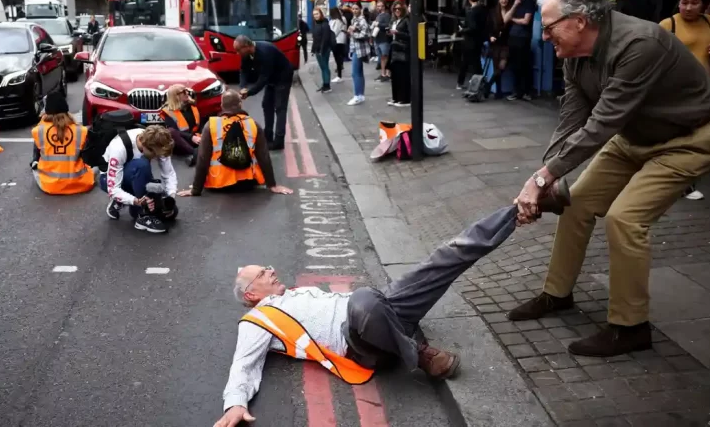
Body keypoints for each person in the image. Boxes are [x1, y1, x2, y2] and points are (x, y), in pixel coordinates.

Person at [212, 187, 572, 427]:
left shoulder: (296, 295)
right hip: (357, 343)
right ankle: (420, 354)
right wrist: (235, 404)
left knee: (447, 255)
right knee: (364, 299)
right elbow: (244, 364)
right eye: (262, 272)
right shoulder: (257, 320)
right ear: (251, 294)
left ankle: (524, 207)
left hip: (381, 311)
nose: (271, 270)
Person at [511, 0, 710, 357]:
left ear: (579, 21)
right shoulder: (574, 54)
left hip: (690, 138)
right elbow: (572, 117)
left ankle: (630, 327)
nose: (544, 37)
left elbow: (603, 122)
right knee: (574, 204)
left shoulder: (638, 44)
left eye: (548, 27)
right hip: (634, 136)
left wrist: (542, 178)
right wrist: (546, 176)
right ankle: (556, 294)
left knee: (624, 219)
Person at [659, 0, 710, 201]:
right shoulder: (668, 25)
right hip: (677, 94)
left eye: (694, 3)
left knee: (698, 140)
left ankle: (681, 181)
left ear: (704, 4)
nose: (688, 8)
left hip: (705, 92)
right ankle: (683, 184)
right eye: (684, 2)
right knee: (682, 139)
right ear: (678, 3)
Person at [178, 90, 292, 197]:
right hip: (246, 184)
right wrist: (272, 185)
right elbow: (264, 156)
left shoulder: (211, 125)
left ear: (222, 106)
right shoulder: (253, 124)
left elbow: (203, 159)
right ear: (240, 105)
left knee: (199, 151)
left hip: (218, 183)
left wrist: (196, 190)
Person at [100, 124, 178, 234]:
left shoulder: (157, 141)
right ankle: (143, 215)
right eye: (155, 155)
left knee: (171, 213)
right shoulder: (118, 148)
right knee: (142, 164)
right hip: (109, 180)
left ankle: (135, 202)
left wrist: (170, 198)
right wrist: (136, 201)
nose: (157, 158)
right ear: (145, 145)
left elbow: (168, 174)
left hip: (137, 175)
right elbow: (113, 189)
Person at [235, 35, 294, 151]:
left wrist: (249, 92)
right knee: (267, 104)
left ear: (247, 46)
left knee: (280, 107)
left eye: (238, 50)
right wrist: (242, 87)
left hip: (283, 77)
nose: (237, 53)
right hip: (271, 78)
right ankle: (268, 137)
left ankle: (278, 141)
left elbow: (263, 78)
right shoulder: (246, 54)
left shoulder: (265, 52)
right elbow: (243, 70)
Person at [30, 91, 95, 195]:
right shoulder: (81, 131)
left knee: (35, 166)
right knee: (96, 169)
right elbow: (88, 158)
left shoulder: (38, 131)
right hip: (79, 183)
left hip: (49, 185)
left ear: (47, 111)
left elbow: (38, 154)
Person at [506, 0, 536, 101]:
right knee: (514, 65)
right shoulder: (513, 3)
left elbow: (526, 21)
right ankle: (516, 91)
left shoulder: (528, 2)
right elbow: (505, 19)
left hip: (524, 37)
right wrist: (514, 6)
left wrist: (512, 19)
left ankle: (527, 91)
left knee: (524, 65)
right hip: (512, 37)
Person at [161, 84, 203, 167]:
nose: (187, 93)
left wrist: (202, 137)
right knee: (171, 131)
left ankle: (198, 153)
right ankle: (194, 153)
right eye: (183, 92)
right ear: (176, 96)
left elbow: (200, 125)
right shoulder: (169, 112)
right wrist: (191, 137)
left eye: (187, 90)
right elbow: (175, 132)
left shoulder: (192, 106)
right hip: (180, 142)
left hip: (196, 138)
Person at [456, 0, 489, 91]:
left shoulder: (471, 11)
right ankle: (476, 84)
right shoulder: (484, 9)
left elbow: (472, 27)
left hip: (470, 41)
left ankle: (473, 84)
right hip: (479, 40)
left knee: (468, 62)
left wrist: (462, 30)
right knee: (475, 62)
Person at [489, 0, 514, 98]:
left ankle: (487, 86)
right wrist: (490, 36)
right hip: (495, 43)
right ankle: (498, 92)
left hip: (507, 43)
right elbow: (488, 27)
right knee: (496, 68)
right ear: (499, 0)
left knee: (502, 65)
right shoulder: (493, 12)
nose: (504, 0)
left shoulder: (512, 11)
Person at [347, 3, 371, 106]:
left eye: (357, 9)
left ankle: (357, 96)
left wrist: (353, 33)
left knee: (355, 73)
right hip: (355, 48)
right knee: (359, 72)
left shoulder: (362, 20)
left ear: (360, 9)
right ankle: (360, 95)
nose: (355, 10)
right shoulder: (354, 19)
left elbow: (366, 34)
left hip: (360, 50)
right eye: (353, 9)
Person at [387, 1, 411, 107]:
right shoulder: (394, 21)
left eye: (399, 9)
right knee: (395, 75)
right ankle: (396, 97)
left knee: (402, 75)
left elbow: (410, 35)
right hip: (394, 49)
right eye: (395, 9)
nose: (397, 11)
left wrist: (397, 33)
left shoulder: (406, 21)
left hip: (402, 50)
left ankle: (404, 99)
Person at [310, 7, 334, 93]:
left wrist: (321, 50)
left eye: (317, 14)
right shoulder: (315, 24)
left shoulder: (325, 24)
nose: (315, 16)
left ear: (321, 14)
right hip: (317, 49)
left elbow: (325, 39)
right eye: (314, 15)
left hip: (324, 49)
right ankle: (324, 84)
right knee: (322, 67)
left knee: (325, 67)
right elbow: (315, 39)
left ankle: (327, 86)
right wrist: (313, 50)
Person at [373, 0, 392, 82]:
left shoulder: (387, 15)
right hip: (378, 39)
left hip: (384, 39)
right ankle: (383, 73)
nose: (379, 7)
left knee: (385, 56)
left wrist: (378, 24)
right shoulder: (378, 16)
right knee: (381, 57)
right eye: (378, 6)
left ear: (384, 6)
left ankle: (387, 73)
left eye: (381, 6)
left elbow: (388, 25)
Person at [329, 7, 347, 83]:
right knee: (337, 57)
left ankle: (339, 75)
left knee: (338, 57)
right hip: (336, 40)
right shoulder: (333, 20)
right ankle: (339, 74)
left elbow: (335, 31)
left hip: (338, 41)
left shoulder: (339, 20)